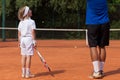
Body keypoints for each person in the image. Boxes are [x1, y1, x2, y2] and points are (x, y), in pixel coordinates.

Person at [86, 0, 110, 79]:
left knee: (93, 46)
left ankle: (96, 72)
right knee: (102, 47)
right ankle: (100, 71)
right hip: (105, 23)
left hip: (92, 23)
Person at [18, 6, 37, 78]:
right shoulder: (32, 21)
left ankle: (23, 73)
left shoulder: (21, 22)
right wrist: (34, 41)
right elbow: (33, 32)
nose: (31, 11)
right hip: (28, 39)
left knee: (23, 56)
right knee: (28, 56)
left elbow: (19, 33)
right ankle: (27, 74)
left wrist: (19, 41)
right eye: (29, 10)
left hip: (22, 39)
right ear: (26, 13)